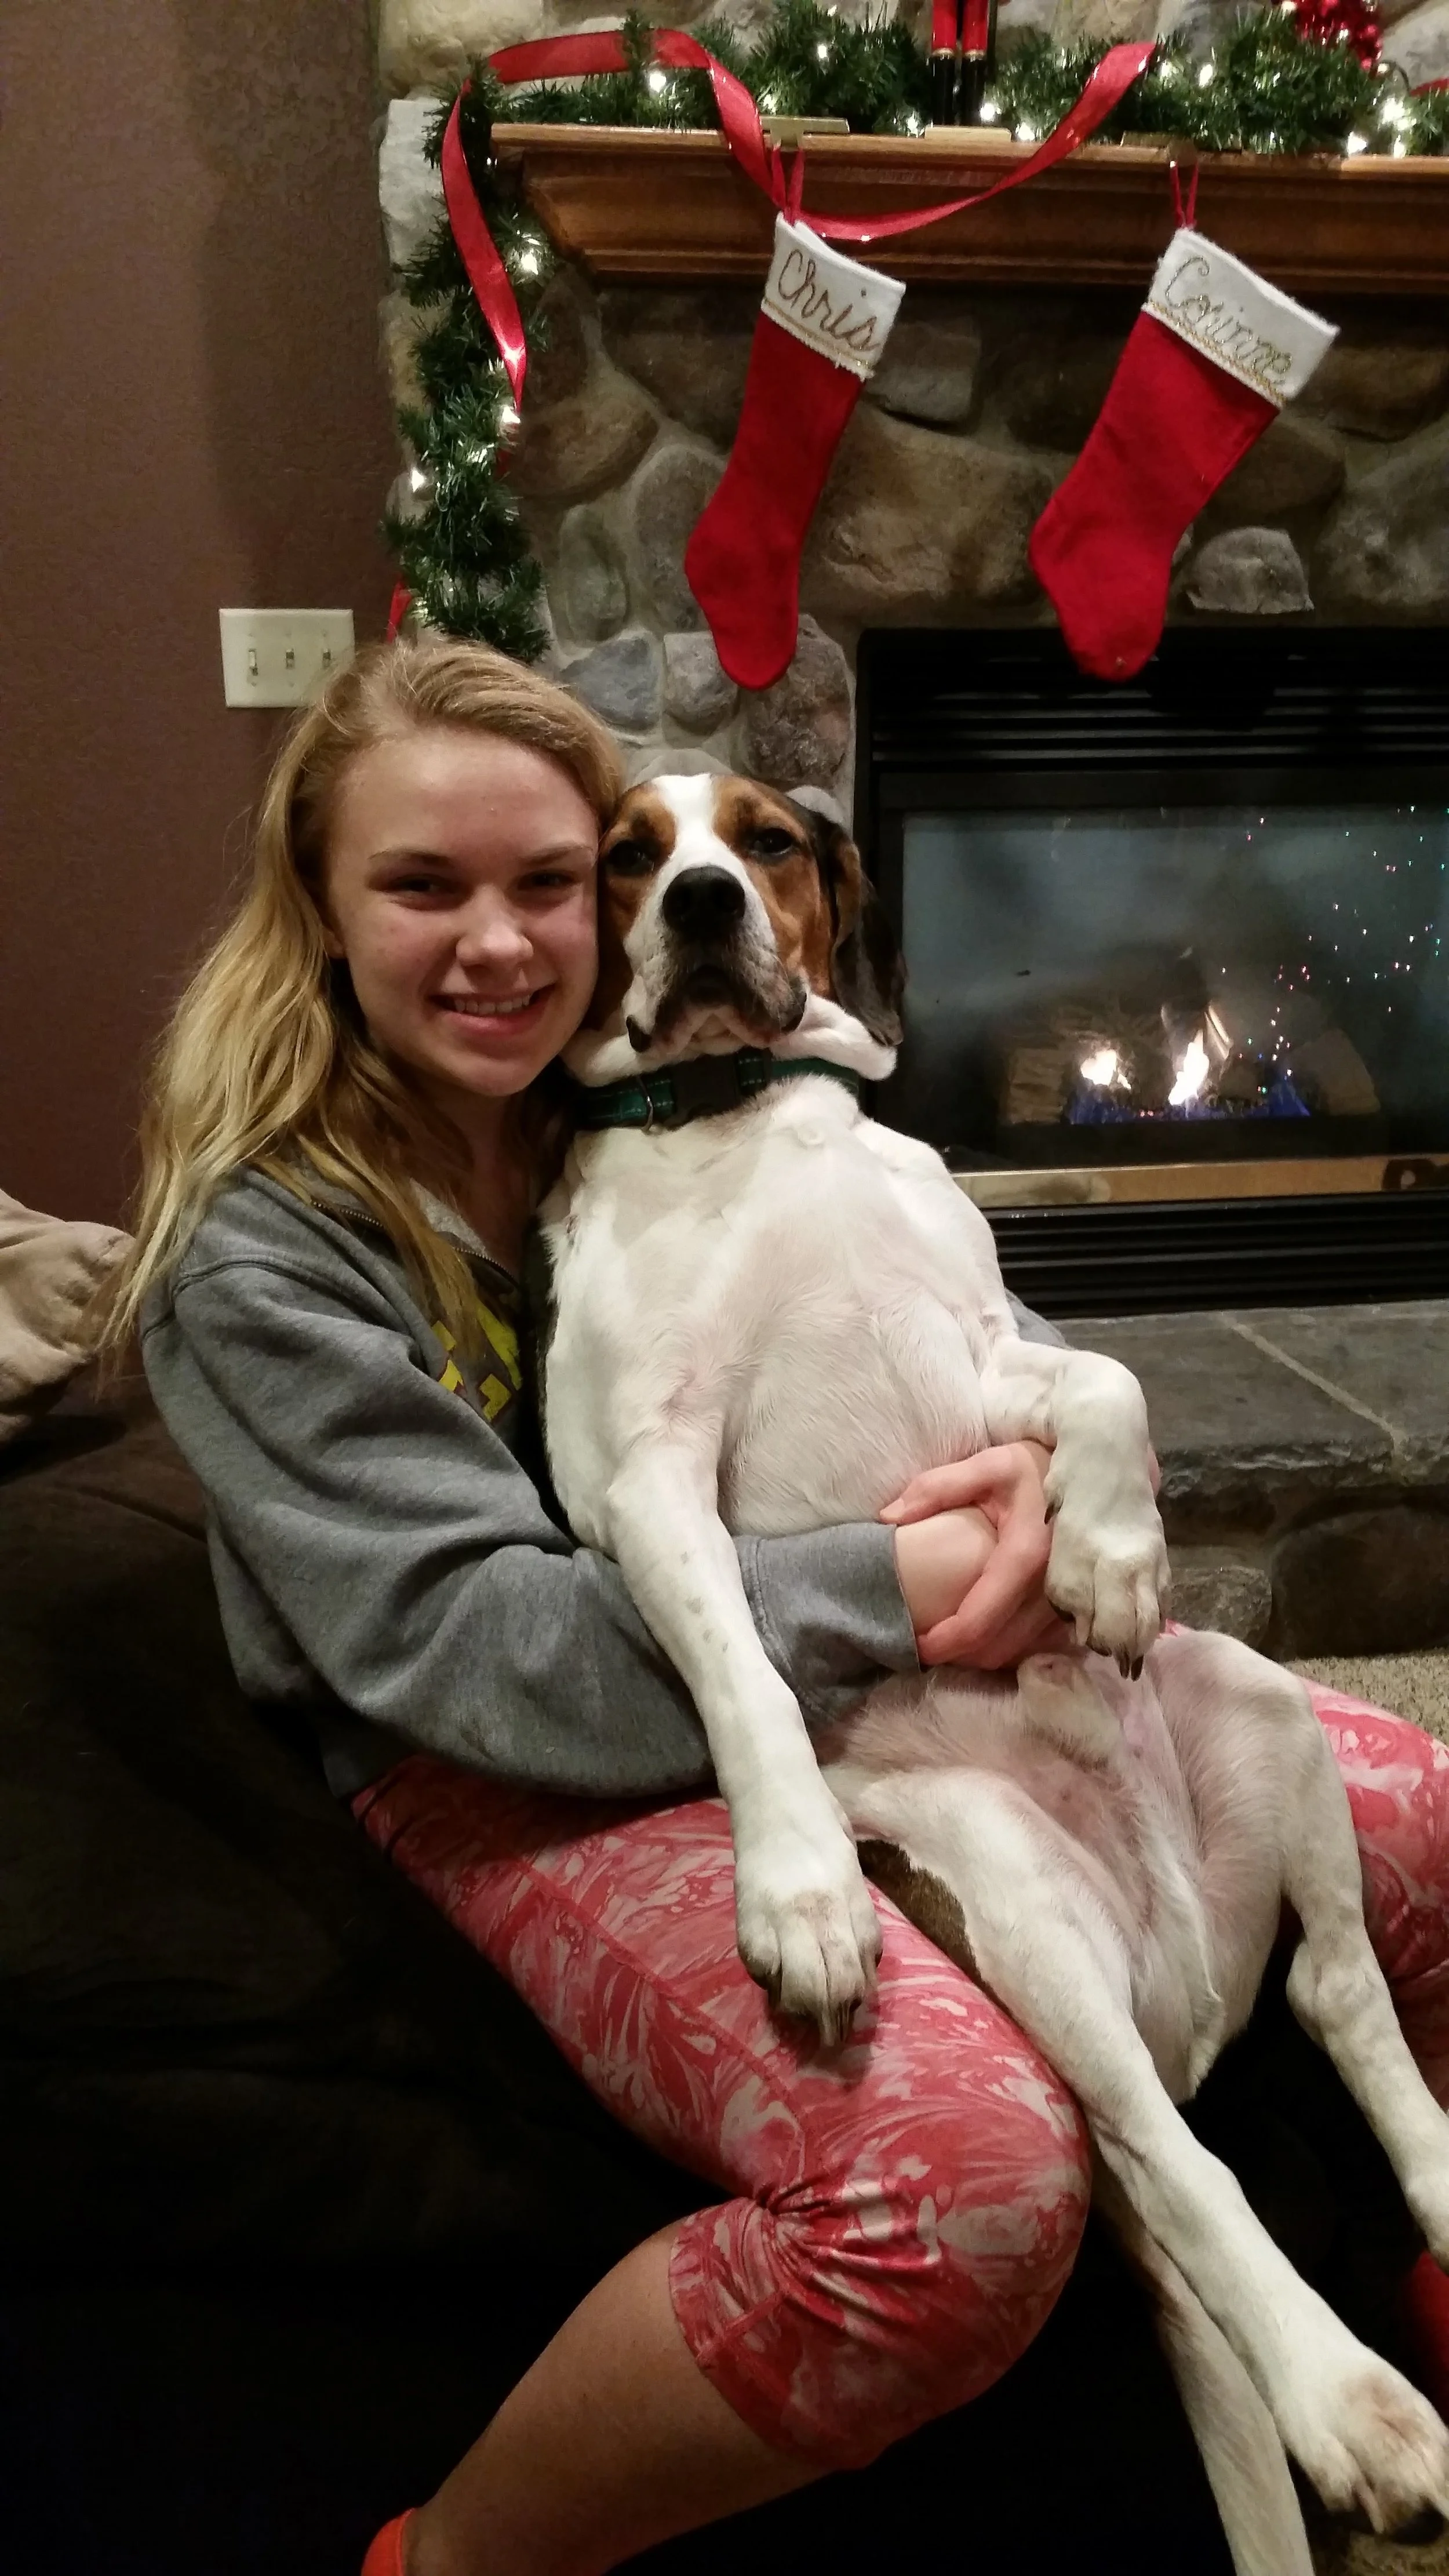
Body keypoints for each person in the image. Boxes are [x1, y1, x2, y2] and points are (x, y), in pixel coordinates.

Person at [111, 636, 1449, 2576]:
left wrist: (1058, 1465)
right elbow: (484, 1647)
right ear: (318, 913)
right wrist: (901, 1590)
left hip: (827, 1664)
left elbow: (923, 1331)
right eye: (422, 888)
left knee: (1406, 1795)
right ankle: (462, 2553)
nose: (498, 941)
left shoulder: (643, 1107)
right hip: (497, 1752)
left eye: (546, 884)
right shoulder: (262, 1256)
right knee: (959, 2185)